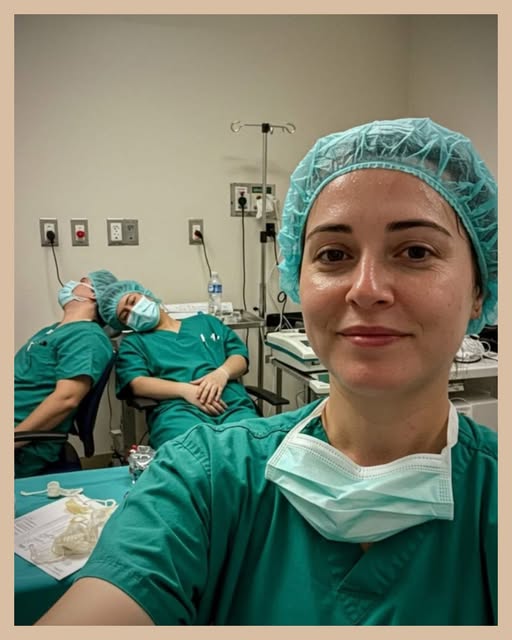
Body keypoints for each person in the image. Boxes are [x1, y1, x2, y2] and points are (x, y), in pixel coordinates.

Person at [37, 118, 497, 625]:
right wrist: (188, 392)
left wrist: (221, 376)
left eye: (416, 251)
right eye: (334, 254)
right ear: (298, 277)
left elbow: (238, 357)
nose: (366, 289)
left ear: (480, 290)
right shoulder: (202, 478)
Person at [96, 280, 259, 448]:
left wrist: (222, 373)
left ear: (146, 295)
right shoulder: (134, 343)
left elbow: (239, 356)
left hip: (231, 403)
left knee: (253, 444)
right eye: (125, 315)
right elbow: (136, 382)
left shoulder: (207, 322)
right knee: (190, 452)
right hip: (178, 411)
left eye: (133, 301)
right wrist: (185, 390)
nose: (134, 311)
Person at [15, 270, 118, 478]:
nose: (71, 284)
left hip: (21, 446)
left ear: (94, 294)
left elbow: (66, 399)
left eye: (82, 281)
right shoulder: (53, 330)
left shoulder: (86, 337)